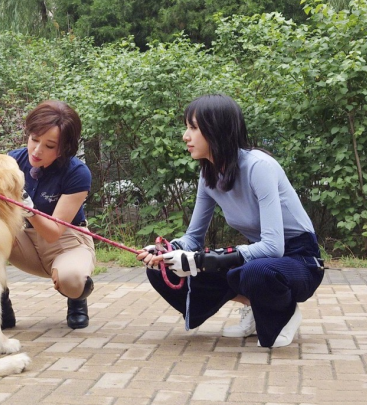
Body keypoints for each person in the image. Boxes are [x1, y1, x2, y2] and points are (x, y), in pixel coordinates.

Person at [137, 94, 324, 348]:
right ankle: (253, 304)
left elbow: (273, 247)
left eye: (193, 127)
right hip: (261, 257)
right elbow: (193, 238)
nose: (185, 136)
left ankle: (286, 312)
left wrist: (200, 260)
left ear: (215, 130)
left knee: (254, 272)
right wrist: (166, 251)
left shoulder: (260, 167)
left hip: (299, 259)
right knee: (161, 268)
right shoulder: (208, 176)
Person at [1, 100, 96, 330]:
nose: (37, 150)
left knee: (71, 280)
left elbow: (54, 233)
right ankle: (1, 304)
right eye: (34, 139)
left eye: (50, 145)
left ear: (64, 148)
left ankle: (77, 296)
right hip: (23, 240)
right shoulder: (11, 161)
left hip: (65, 242)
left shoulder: (77, 173)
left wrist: (28, 208)